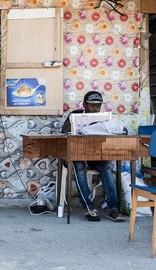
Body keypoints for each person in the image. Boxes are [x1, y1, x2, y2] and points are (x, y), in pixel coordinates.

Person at [61, 91, 126, 222]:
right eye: (92, 105)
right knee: (79, 169)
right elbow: (64, 131)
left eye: (98, 106)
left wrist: (110, 126)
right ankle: (88, 207)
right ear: (84, 105)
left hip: (96, 154)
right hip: (77, 153)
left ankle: (113, 208)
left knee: (106, 169)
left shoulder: (104, 118)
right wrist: (74, 122)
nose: (95, 108)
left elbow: (123, 131)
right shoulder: (75, 115)